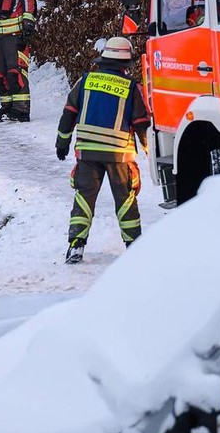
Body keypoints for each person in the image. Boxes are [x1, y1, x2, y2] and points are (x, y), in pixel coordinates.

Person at [55, 37, 151, 264]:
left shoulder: (85, 81)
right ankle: (134, 247)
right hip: (119, 156)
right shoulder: (131, 88)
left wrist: (62, 143)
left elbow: (68, 113)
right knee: (126, 200)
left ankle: (76, 246)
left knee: (83, 198)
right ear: (126, 64)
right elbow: (141, 124)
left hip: (87, 153)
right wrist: (150, 150)